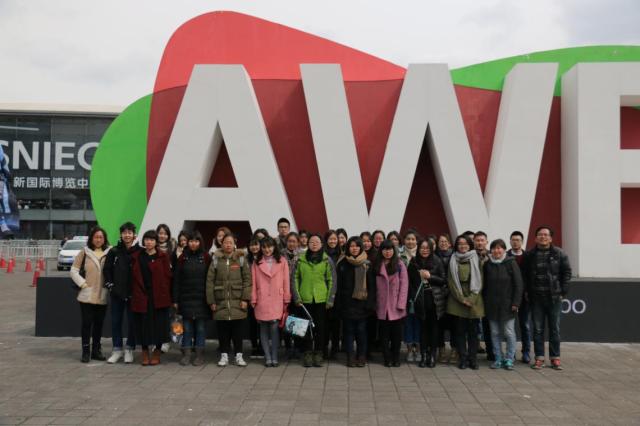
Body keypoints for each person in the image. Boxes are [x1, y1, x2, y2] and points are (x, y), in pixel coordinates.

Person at [522, 226, 571, 370]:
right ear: (535, 238)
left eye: (545, 235)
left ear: (550, 238)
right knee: (538, 329)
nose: (542, 237)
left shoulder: (559, 253)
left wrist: (563, 292)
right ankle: (539, 358)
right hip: (536, 298)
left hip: (554, 298)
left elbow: (567, 273)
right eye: (540, 235)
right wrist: (527, 291)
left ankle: (555, 358)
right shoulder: (529, 255)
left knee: (554, 329)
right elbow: (525, 275)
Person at [206, 232, 252, 367]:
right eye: (226, 242)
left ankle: (239, 355)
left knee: (238, 331)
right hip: (220, 301)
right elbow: (209, 281)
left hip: (238, 301)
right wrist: (211, 301)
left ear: (234, 244)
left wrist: (245, 299)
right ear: (221, 244)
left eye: (230, 242)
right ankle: (224, 355)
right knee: (222, 331)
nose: (228, 245)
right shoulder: (216, 259)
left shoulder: (241, 259)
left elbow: (247, 280)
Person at [130, 230, 172, 366]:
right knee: (143, 325)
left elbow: (168, 277)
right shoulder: (137, 256)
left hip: (159, 296)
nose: (149, 242)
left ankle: (157, 352)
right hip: (142, 295)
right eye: (147, 239)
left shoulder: (162, 256)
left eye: (152, 240)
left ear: (156, 242)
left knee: (159, 325)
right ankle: (144, 351)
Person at [70, 226, 111, 363]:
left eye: (101, 237)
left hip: (102, 295)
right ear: (92, 238)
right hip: (86, 295)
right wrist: (83, 284)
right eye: (96, 237)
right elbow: (74, 270)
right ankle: (86, 351)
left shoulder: (109, 252)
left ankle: (96, 350)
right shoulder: (85, 252)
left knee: (99, 324)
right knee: (87, 324)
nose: (98, 240)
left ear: (104, 239)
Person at [294, 234, 335, 367]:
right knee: (305, 328)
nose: (314, 244)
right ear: (308, 244)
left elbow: (332, 280)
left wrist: (330, 299)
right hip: (304, 300)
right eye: (312, 241)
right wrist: (297, 296)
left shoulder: (327, 260)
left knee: (321, 328)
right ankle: (307, 353)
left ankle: (319, 353)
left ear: (322, 244)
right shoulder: (300, 260)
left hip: (321, 300)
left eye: (317, 241)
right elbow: (294, 278)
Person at [103, 221, 141, 364]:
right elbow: (107, 270)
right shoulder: (114, 251)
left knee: (132, 323)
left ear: (134, 235)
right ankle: (117, 350)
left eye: (129, 232)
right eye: (124, 233)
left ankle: (129, 349)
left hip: (133, 294)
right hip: (117, 294)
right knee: (116, 322)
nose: (127, 235)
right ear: (121, 235)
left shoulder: (139, 252)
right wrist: (110, 285)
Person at [335, 237, 376, 367]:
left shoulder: (367, 264)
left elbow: (372, 286)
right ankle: (350, 356)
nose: (354, 248)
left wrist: (370, 303)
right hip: (347, 304)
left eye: (357, 246)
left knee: (361, 331)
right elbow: (338, 286)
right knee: (348, 331)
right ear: (348, 248)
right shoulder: (342, 263)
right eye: (352, 246)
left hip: (362, 304)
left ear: (361, 247)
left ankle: (361, 355)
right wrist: (339, 304)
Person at [483, 239, 523, 370]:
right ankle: (498, 358)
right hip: (492, 305)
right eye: (494, 248)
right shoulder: (487, 264)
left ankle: (509, 358)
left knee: (509, 332)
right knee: (495, 333)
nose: (497, 251)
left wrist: (516, 302)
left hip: (508, 305)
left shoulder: (511, 263)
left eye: (499, 248)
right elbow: (484, 285)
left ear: (504, 250)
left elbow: (518, 284)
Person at [172, 231, 211, 366]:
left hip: (202, 300)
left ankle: (199, 355)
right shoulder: (182, 257)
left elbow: (210, 279)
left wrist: (210, 299)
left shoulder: (206, 257)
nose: (193, 243)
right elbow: (176, 280)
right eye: (191, 241)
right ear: (187, 242)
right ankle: (187, 354)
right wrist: (175, 300)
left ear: (200, 242)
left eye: (196, 241)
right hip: (185, 299)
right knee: (187, 329)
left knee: (200, 329)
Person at [251, 236, 291, 367]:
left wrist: (286, 298)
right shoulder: (256, 262)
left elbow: (286, 281)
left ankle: (274, 356)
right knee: (263, 328)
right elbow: (253, 283)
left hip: (277, 298)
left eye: (269, 246)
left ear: (274, 247)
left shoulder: (282, 261)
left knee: (274, 328)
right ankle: (268, 357)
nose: (267, 249)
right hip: (261, 298)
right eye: (264, 247)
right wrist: (253, 298)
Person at [408, 238, 446, 368]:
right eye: (422, 248)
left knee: (434, 328)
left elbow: (443, 280)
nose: (424, 250)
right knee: (423, 328)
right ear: (418, 249)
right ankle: (424, 355)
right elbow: (410, 282)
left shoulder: (437, 260)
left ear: (431, 249)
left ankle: (432, 355)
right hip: (420, 300)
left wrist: (430, 277)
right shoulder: (414, 262)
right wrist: (414, 296)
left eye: (427, 248)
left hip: (434, 300)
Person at [447, 235, 484, 370]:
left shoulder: (476, 259)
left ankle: (473, 359)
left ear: (470, 245)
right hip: (457, 301)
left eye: (465, 243)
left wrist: (471, 299)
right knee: (460, 332)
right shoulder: (452, 259)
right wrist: (462, 299)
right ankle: (463, 358)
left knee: (473, 333)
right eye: (460, 244)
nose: (462, 246)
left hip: (474, 299)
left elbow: (481, 280)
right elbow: (451, 282)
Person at [373, 239, 408, 367]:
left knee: (396, 335)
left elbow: (404, 285)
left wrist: (401, 304)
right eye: (385, 249)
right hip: (382, 305)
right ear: (381, 251)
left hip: (396, 304)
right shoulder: (377, 264)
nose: (387, 252)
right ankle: (387, 358)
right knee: (384, 335)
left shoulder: (399, 264)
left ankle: (396, 357)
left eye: (390, 249)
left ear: (394, 250)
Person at [507, 231, 530, 363]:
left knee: (525, 325)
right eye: (513, 240)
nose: (515, 242)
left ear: (522, 242)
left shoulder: (528, 256)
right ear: (510, 241)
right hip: (509, 296)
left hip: (525, 297)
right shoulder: (506, 256)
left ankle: (526, 352)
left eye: (518, 240)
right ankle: (511, 352)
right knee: (510, 327)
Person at [399, 229, 420, 362]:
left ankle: (418, 350)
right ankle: (409, 350)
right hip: (404, 293)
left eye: (413, 239)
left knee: (418, 322)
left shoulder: (422, 253)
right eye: (408, 239)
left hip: (419, 293)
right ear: (404, 240)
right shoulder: (399, 255)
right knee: (407, 323)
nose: (410, 241)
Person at [473, 230, 494, 362]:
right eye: (477, 240)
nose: (480, 243)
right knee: (474, 324)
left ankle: (491, 352)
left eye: (482, 240)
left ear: (486, 242)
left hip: (488, 295)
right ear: (474, 242)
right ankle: (474, 348)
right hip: (474, 295)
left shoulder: (492, 257)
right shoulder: (470, 256)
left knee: (488, 325)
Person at [435, 233, 456, 364]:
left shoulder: (455, 256)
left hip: (452, 295)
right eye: (441, 241)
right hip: (438, 295)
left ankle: (454, 349)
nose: (443, 243)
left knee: (454, 325)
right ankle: (441, 350)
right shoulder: (434, 256)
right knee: (439, 325)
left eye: (445, 241)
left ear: (449, 243)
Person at [246, 237, 264, 359]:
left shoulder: (264, 259)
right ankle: (254, 346)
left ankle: (262, 346)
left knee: (262, 322)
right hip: (249, 294)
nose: (254, 247)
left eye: (256, 245)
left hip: (262, 294)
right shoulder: (245, 259)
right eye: (252, 245)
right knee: (252, 322)